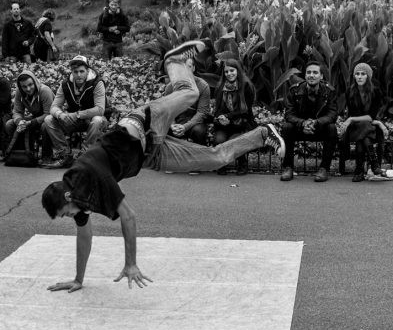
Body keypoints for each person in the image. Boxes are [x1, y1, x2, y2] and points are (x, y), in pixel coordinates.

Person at [41, 40, 286, 292]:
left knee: (190, 92)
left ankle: (173, 62)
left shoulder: (88, 172)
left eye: (65, 212)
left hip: (143, 123)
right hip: (151, 155)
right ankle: (262, 134)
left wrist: (131, 264)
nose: (70, 216)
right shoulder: (78, 201)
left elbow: (128, 216)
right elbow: (84, 236)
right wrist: (79, 279)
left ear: (68, 196)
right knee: (216, 159)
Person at [42, 55, 108, 169]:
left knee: (97, 120)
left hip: (93, 120)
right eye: (75, 71)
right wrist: (60, 114)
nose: (78, 75)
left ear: (87, 71)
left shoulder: (97, 83)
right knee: (48, 120)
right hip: (73, 120)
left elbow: (100, 109)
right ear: (71, 72)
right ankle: (65, 155)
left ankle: (85, 157)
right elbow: (53, 107)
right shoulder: (65, 84)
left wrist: (78, 114)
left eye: (82, 71)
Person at [280, 61, 338, 182]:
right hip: (300, 128)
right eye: (309, 72)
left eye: (315, 73)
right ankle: (288, 167)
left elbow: (332, 114)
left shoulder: (329, 91)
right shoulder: (295, 91)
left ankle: (324, 169)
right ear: (305, 75)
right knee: (286, 127)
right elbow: (289, 114)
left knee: (332, 128)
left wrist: (316, 122)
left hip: (319, 128)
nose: (311, 75)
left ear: (321, 76)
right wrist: (302, 123)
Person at [339, 63, 388, 182]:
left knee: (364, 134)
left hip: (369, 126)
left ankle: (359, 170)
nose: (360, 77)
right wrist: (351, 119)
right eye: (357, 74)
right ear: (354, 76)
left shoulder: (375, 92)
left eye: (363, 74)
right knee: (364, 129)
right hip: (356, 127)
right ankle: (374, 164)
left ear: (368, 77)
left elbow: (371, 116)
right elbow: (354, 114)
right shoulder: (350, 92)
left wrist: (350, 119)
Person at [213, 60, 256, 175]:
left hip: (241, 123)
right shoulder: (220, 87)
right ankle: (221, 164)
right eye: (226, 71)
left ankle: (242, 164)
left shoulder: (246, 86)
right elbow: (216, 109)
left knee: (235, 141)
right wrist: (221, 118)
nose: (229, 74)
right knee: (219, 140)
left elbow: (245, 111)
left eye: (232, 70)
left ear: (238, 71)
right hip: (224, 125)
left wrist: (228, 117)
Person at [5, 71, 54, 160]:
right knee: (10, 124)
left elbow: (48, 114)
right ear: (20, 86)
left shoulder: (44, 91)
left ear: (35, 81)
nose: (28, 89)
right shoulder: (19, 92)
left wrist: (30, 122)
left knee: (45, 125)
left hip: (51, 119)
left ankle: (47, 156)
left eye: (30, 84)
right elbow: (17, 111)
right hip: (35, 118)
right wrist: (19, 121)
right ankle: (21, 154)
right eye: (24, 86)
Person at [165, 59, 210, 146]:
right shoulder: (170, 87)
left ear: (193, 68)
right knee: (162, 129)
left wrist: (185, 127)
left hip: (195, 121)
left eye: (188, 67)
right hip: (177, 120)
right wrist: (172, 125)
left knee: (199, 131)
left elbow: (202, 112)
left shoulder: (203, 86)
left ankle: (200, 155)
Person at [0, 77, 12, 160]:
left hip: (5, 112)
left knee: (4, 123)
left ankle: (5, 151)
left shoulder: (4, 83)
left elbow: (4, 101)